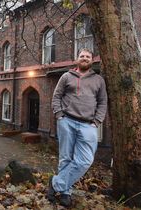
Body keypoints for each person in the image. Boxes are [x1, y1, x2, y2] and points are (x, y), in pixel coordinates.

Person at [48, 48, 108, 207]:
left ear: (92, 60)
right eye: (82, 56)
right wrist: (59, 115)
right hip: (67, 121)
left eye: (88, 56)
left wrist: (97, 121)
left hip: (88, 124)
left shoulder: (98, 80)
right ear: (77, 59)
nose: (85, 58)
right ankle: (65, 192)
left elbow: (102, 102)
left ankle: (56, 184)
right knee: (66, 157)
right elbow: (56, 97)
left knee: (85, 160)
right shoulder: (66, 76)